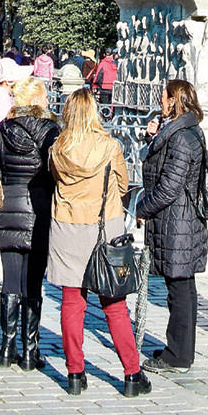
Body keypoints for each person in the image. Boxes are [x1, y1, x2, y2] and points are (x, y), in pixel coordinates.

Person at [47, 87, 149, 396]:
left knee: (72, 301)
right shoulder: (109, 146)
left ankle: (75, 373)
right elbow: (122, 183)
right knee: (114, 303)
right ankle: (132, 372)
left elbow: (54, 179)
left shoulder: (58, 148)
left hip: (67, 226)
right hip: (104, 228)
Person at [138, 79, 207, 374]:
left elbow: (169, 187)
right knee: (182, 286)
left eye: (165, 97)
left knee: (179, 289)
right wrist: (151, 137)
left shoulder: (181, 137)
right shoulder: (183, 131)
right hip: (180, 220)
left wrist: (142, 208)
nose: (161, 102)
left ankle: (178, 355)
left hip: (177, 222)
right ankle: (180, 348)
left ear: (174, 100)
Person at [0, 76, 58, 370]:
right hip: (40, 205)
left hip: (8, 203)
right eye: (44, 96)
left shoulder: (2, 130)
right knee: (34, 281)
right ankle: (31, 350)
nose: (47, 100)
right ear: (35, 100)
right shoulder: (51, 131)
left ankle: (7, 347)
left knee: (10, 278)